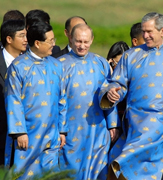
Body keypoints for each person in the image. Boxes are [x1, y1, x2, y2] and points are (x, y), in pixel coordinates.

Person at [99, 12, 163, 180]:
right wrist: (112, 93)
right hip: (135, 126)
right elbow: (118, 83)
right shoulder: (131, 56)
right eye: (144, 31)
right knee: (120, 169)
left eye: (149, 31)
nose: (145, 35)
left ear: (162, 31)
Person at [4, 21, 67, 179]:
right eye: (50, 41)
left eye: (54, 39)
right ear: (37, 43)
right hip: (27, 136)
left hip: (51, 135)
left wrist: (62, 130)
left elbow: (62, 99)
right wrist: (19, 132)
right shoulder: (18, 67)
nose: (54, 44)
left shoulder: (56, 65)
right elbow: (13, 100)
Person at [57, 24, 120, 180]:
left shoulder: (101, 63)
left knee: (98, 172)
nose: (82, 46)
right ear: (70, 38)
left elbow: (109, 92)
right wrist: (60, 130)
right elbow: (57, 101)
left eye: (86, 42)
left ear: (92, 40)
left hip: (98, 129)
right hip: (70, 131)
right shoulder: (59, 65)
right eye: (78, 41)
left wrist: (113, 124)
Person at [0, 19, 27, 166]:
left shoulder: (28, 63)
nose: (26, 40)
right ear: (9, 39)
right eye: (22, 36)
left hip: (23, 140)